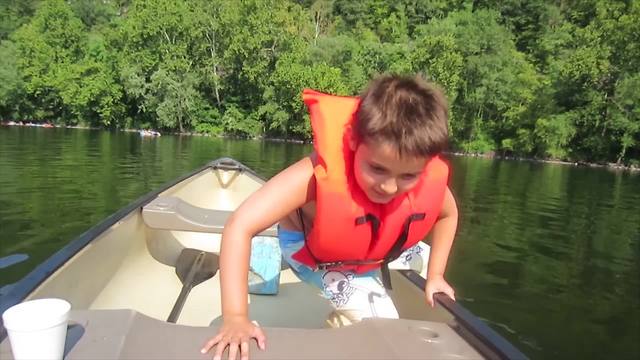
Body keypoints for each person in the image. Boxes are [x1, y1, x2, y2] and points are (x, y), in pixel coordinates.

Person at [201, 74, 458, 360]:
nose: (390, 187)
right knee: (382, 321)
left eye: (408, 176)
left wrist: (436, 275)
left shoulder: (427, 178)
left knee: (422, 257)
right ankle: (340, 329)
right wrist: (235, 316)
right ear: (352, 142)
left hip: (372, 250)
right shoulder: (312, 176)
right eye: (377, 168)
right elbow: (239, 226)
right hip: (310, 250)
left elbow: (448, 214)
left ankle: (279, 260)